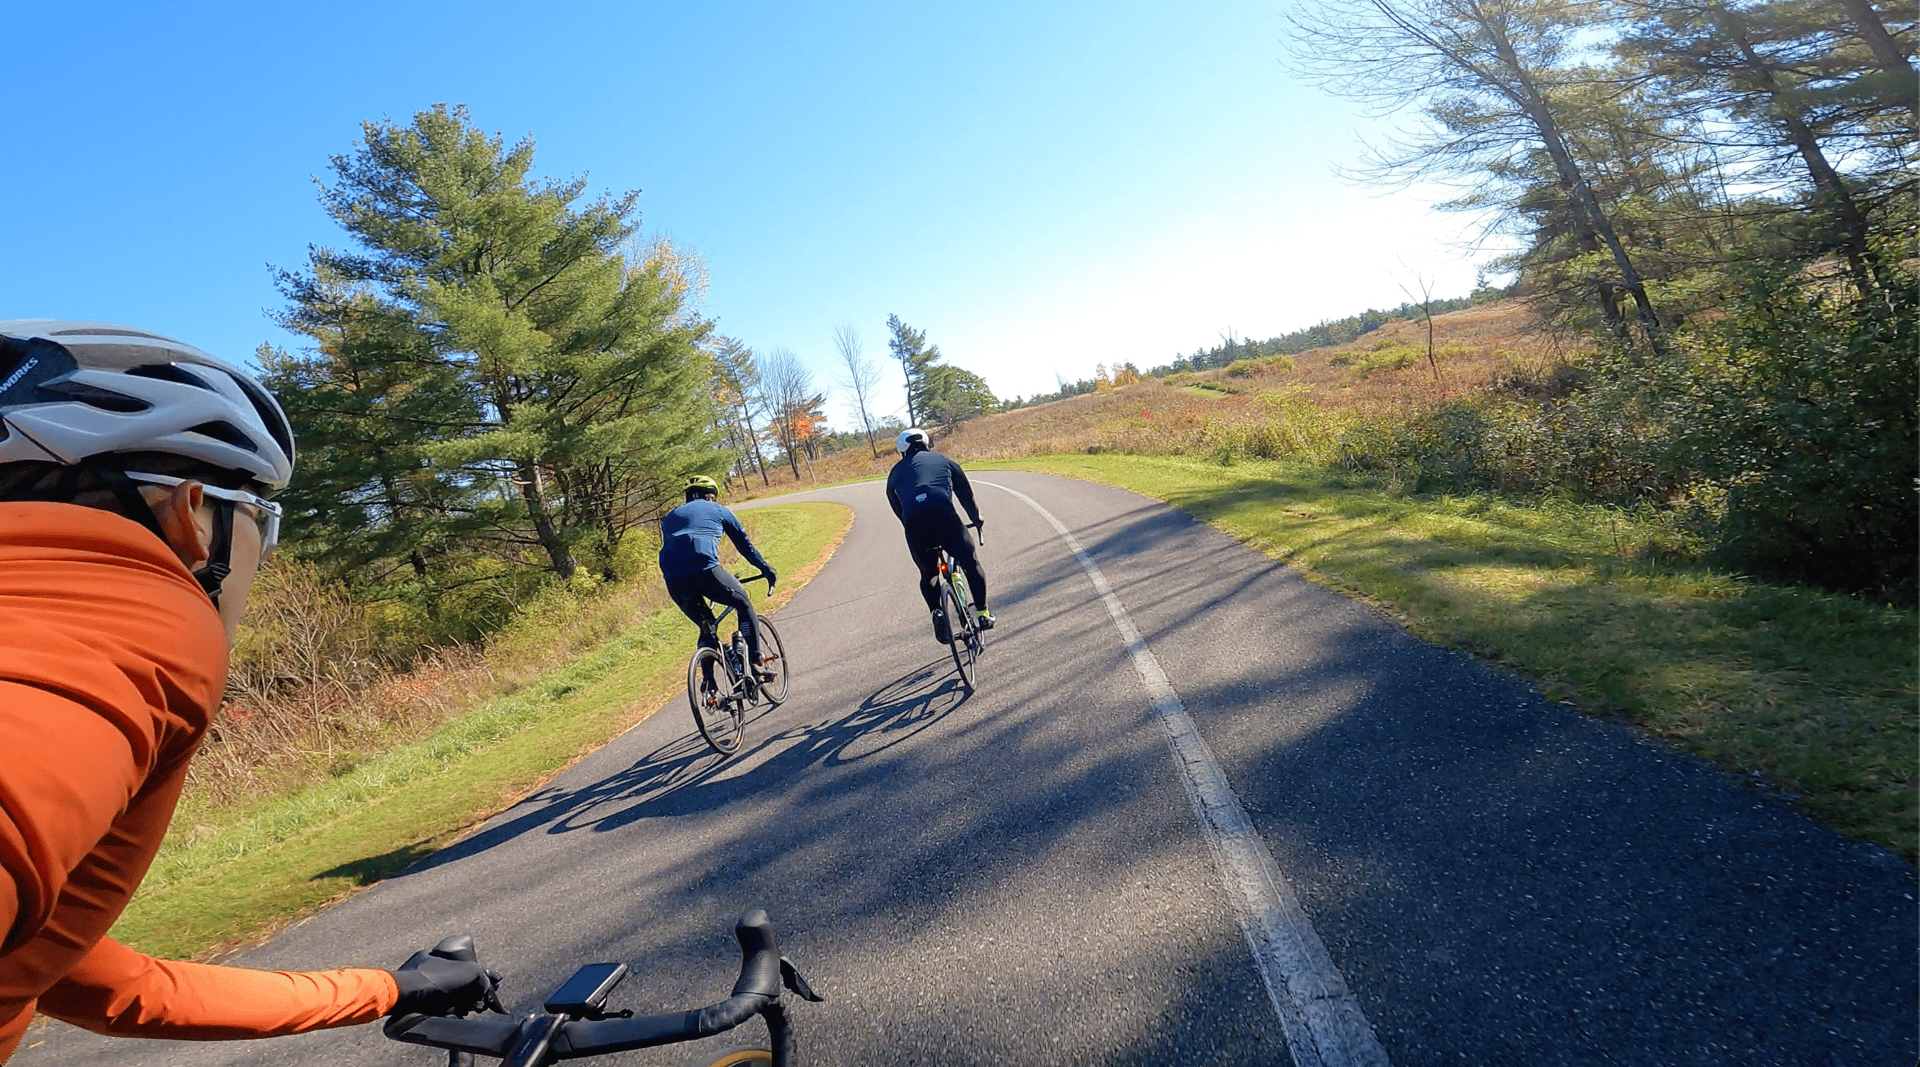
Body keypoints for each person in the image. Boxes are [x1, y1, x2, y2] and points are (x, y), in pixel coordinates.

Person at [0, 321, 498, 1062]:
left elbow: (107, 983)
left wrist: (391, 987)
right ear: (188, 513)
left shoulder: (36, 601)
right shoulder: (139, 600)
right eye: (261, 522)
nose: (262, 556)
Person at [659, 475, 778, 682]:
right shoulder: (719, 510)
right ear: (711, 496)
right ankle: (757, 664)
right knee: (743, 603)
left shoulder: (669, 518)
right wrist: (766, 569)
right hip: (706, 570)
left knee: (707, 625)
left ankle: (709, 682)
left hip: (673, 579)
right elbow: (745, 547)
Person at [885, 427, 993, 642]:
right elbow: (965, 494)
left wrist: (910, 526)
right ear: (926, 444)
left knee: (929, 574)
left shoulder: (895, 472)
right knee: (970, 563)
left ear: (902, 451)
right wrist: (975, 518)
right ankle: (982, 614)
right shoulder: (944, 460)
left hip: (915, 525)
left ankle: (937, 612)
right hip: (944, 516)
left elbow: (897, 505)